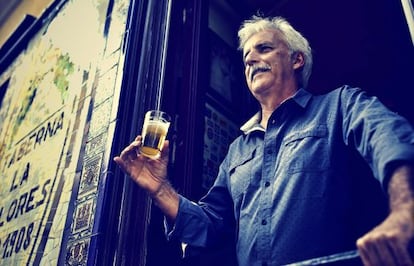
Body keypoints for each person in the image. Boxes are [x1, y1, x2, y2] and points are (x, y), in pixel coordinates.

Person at [114, 15, 414, 266]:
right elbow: (211, 228)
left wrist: (404, 211)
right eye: (246, 59)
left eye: (265, 48)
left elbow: (391, 140)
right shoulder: (237, 151)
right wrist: (160, 189)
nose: (252, 60)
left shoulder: (340, 105)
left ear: (297, 59)